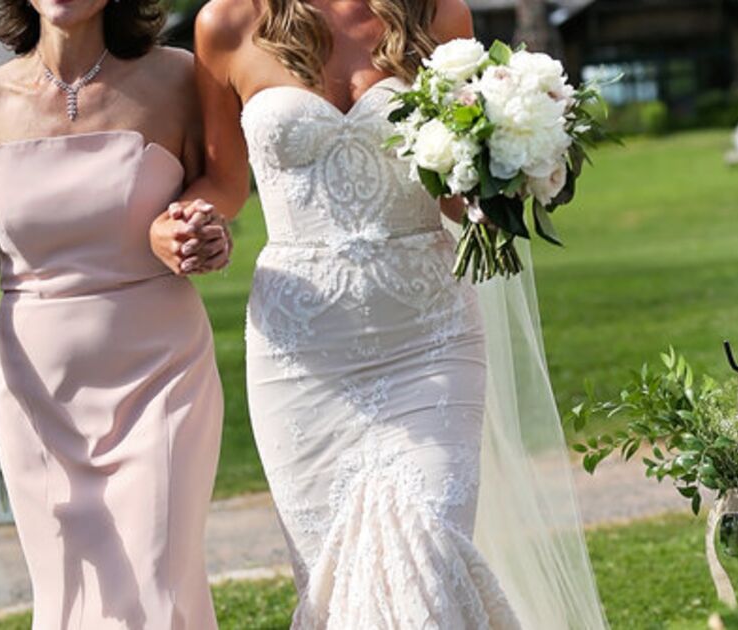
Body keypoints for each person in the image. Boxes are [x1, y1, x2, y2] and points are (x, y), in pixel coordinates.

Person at [155, 0, 609, 626]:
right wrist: (182, 220)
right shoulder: (226, 24)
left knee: (428, 556)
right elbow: (225, 183)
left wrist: (504, 172)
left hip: (430, 336)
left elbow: (452, 193)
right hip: (302, 358)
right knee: (336, 583)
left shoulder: (437, 14)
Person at [0, 1, 230, 627]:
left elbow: (220, 189)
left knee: (158, 581)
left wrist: (207, 233)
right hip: (38, 398)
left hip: (162, 378)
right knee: (68, 595)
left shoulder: (181, 79)